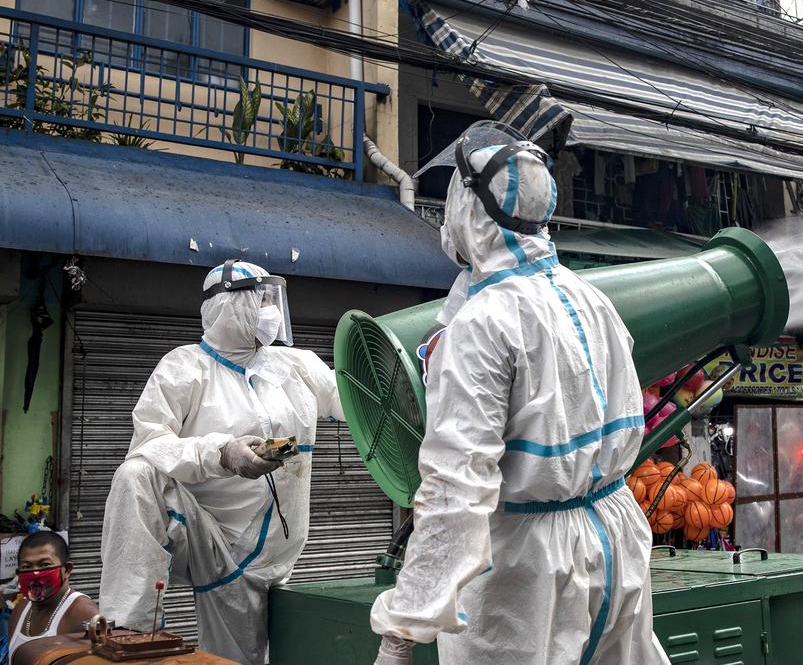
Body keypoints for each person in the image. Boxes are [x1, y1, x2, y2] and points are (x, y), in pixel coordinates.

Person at [370, 121, 670, 665]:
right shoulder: (590, 299)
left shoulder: (483, 324)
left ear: (467, 209)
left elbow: (456, 489)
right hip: (616, 539)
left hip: (527, 569)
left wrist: (402, 630)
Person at [97, 261, 343, 665]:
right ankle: (129, 629)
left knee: (236, 661)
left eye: (273, 300)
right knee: (137, 475)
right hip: (208, 536)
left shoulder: (296, 365)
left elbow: (354, 399)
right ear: (230, 306)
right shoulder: (184, 367)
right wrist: (222, 452)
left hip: (275, 550)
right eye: (261, 300)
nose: (272, 312)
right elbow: (150, 441)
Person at [6, 532, 98, 664]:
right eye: (26, 567)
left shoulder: (83, 613)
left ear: (66, 570)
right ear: (18, 573)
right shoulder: (21, 609)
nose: (35, 573)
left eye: (45, 565)